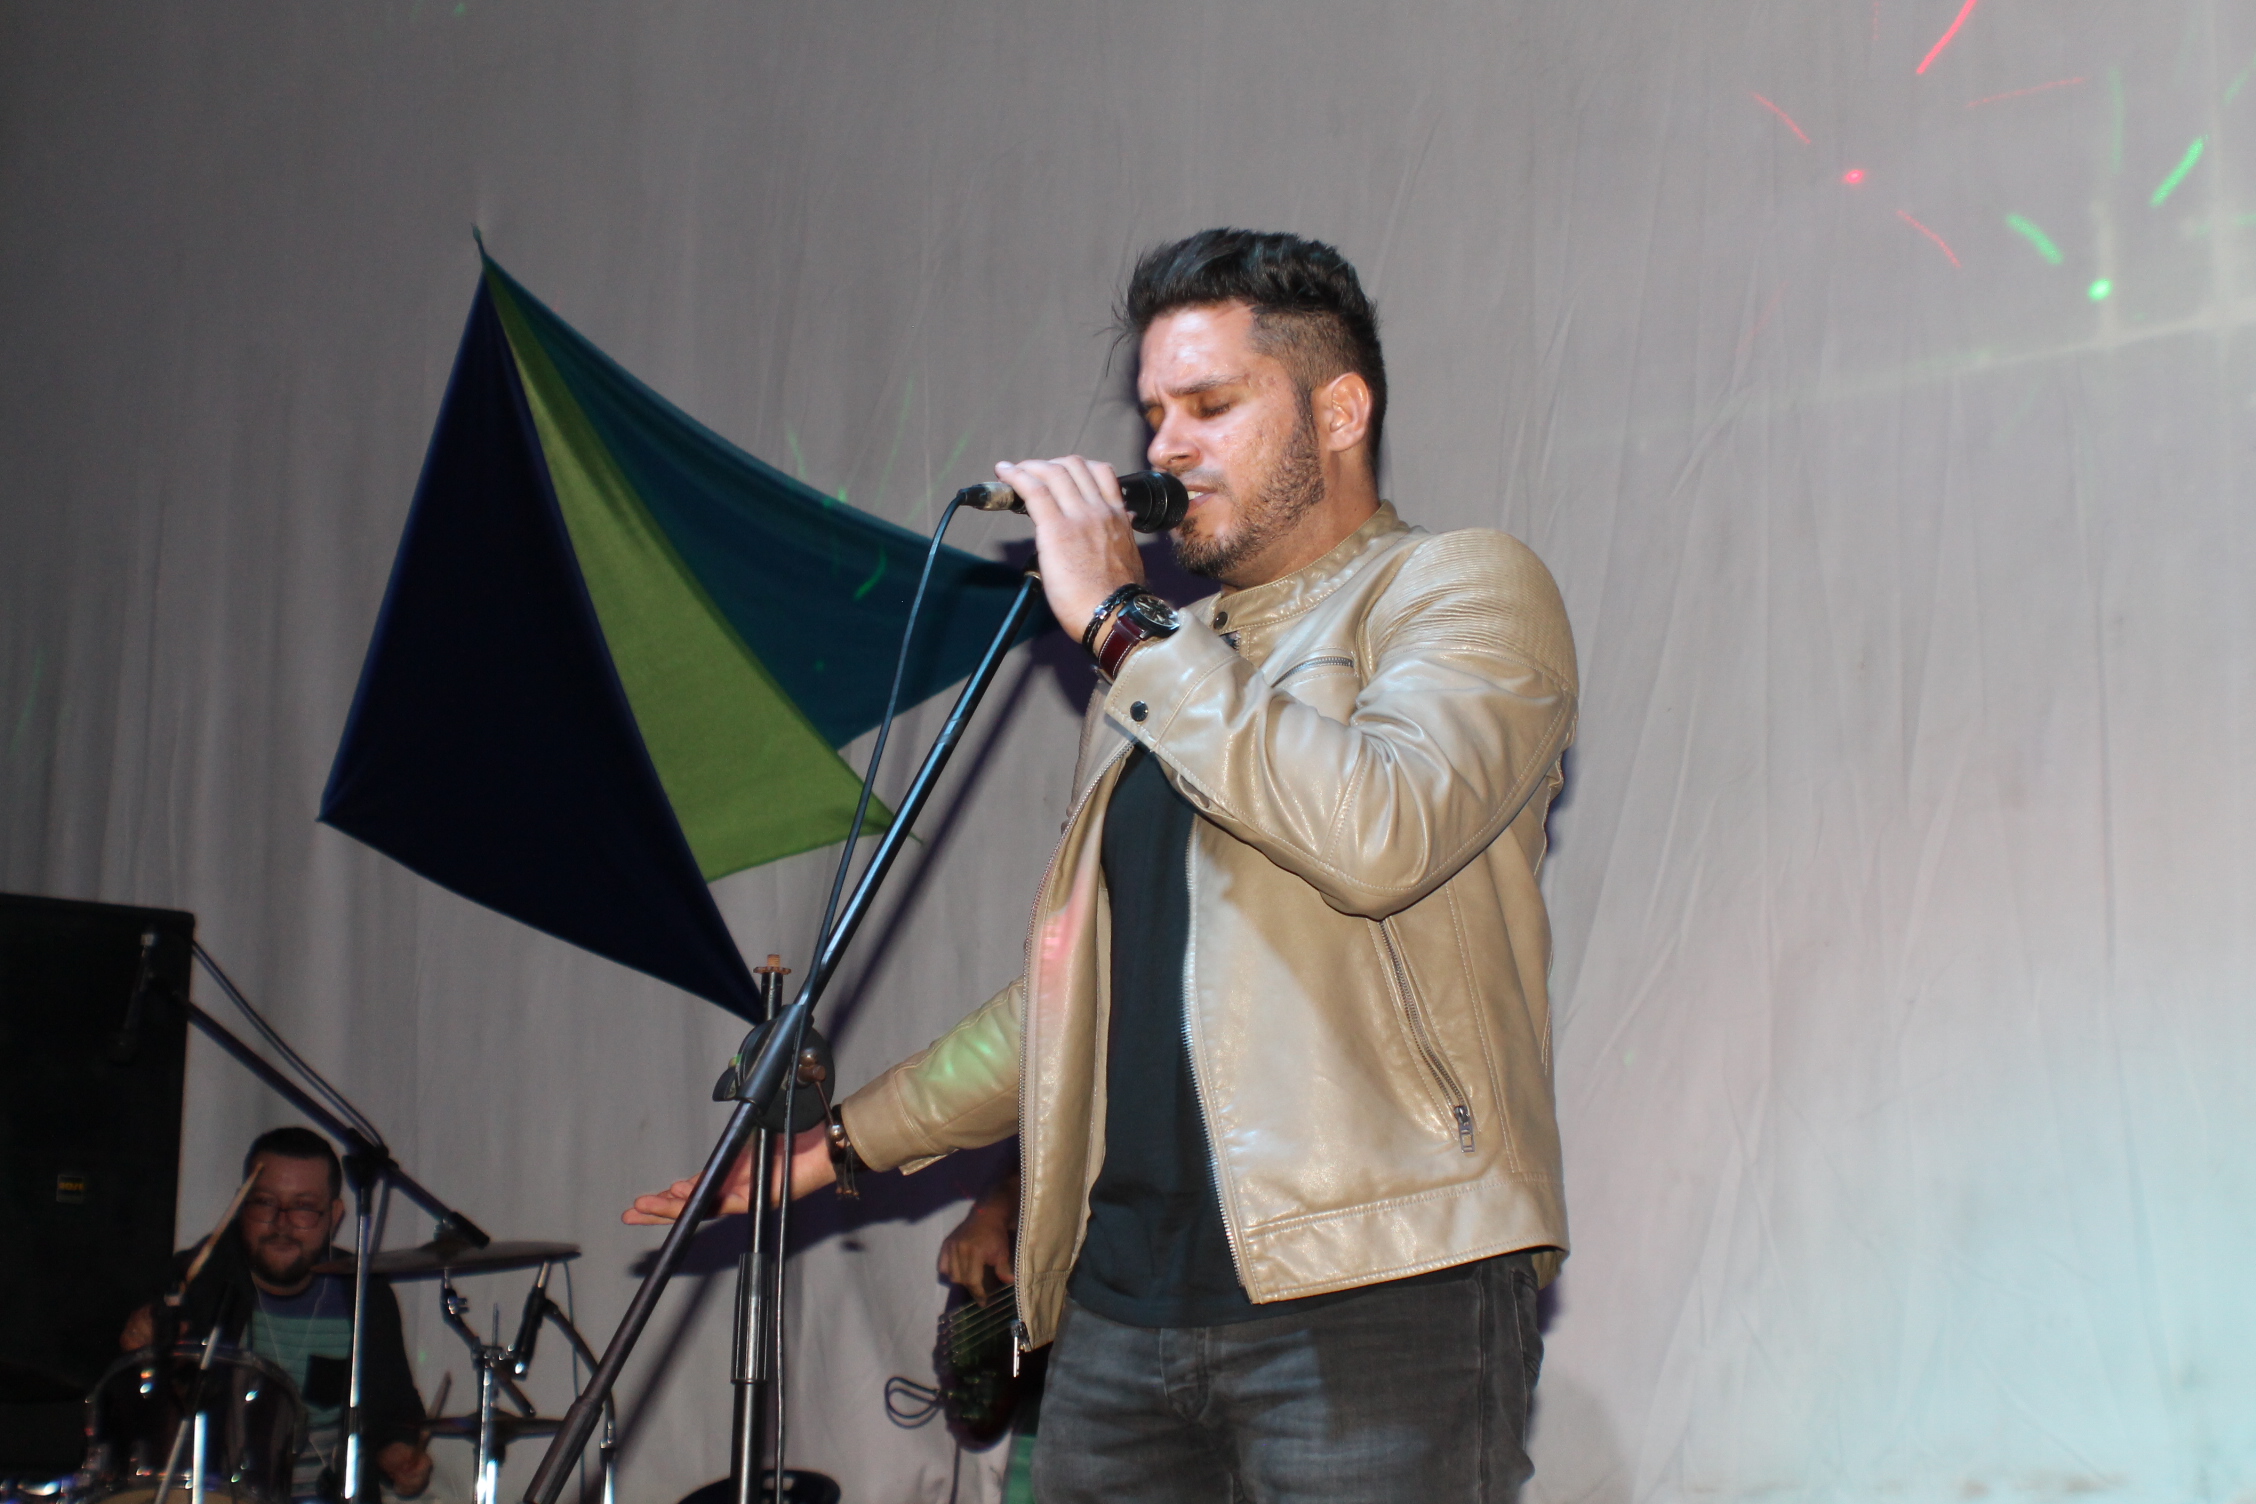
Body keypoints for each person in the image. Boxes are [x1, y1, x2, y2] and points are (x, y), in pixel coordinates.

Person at [632, 228, 1578, 1500]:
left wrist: (1130, 628)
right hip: (1123, 1314)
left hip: (1376, 1285)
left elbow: (1381, 833)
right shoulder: (1163, 664)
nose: (1165, 447)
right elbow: (1076, 993)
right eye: (1153, 413)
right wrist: (836, 1147)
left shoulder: (1455, 587)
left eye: (1210, 405)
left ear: (1340, 411)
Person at [123, 1127, 433, 1502]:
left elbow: (395, 1411)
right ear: (241, 1206)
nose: (282, 1223)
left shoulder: (365, 1294)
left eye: (304, 1207)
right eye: (265, 1202)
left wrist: (398, 1454)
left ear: (334, 1216)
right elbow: (135, 1409)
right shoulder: (198, 1283)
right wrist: (139, 1348)